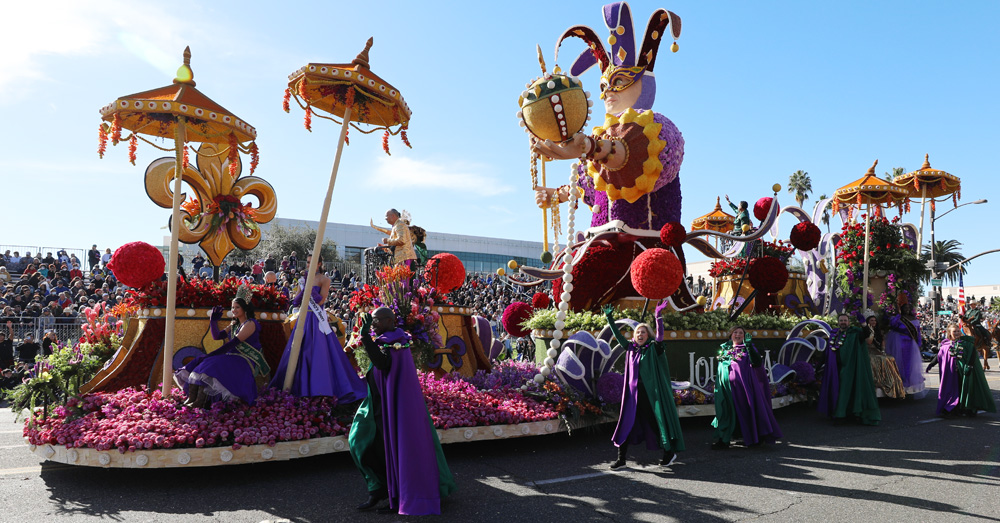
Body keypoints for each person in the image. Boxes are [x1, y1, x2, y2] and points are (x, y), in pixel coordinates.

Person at [349, 307, 456, 515]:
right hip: (377, 403)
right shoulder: (389, 339)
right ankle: (379, 489)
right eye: (372, 320)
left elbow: (382, 364)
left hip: (391, 405)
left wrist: (366, 337)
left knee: (387, 448)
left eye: (377, 320)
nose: (374, 324)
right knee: (359, 440)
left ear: (390, 321)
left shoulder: (396, 340)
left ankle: (394, 495)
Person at [270, 255, 366, 403]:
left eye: (312, 262)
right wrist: (303, 287)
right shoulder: (303, 279)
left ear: (319, 263)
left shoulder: (324, 280)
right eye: (308, 262)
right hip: (303, 317)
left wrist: (309, 286)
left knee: (316, 350)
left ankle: (319, 388)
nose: (309, 264)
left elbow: (320, 301)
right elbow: (296, 302)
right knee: (300, 350)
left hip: (316, 319)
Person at [602, 303, 684, 467]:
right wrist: (609, 318)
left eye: (643, 332)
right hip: (633, 394)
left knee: (655, 423)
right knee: (626, 423)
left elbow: (660, 336)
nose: (640, 334)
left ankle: (668, 452)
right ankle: (621, 459)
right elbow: (618, 336)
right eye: (638, 332)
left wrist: (658, 317)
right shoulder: (631, 348)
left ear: (648, 335)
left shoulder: (654, 348)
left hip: (650, 395)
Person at [176, 294, 270, 407]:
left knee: (212, 363)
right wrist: (213, 321)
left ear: (245, 308)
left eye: (237, 307)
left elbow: (233, 343)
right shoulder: (235, 324)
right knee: (206, 363)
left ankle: (199, 401)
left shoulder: (250, 323)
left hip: (245, 359)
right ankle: (192, 399)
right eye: (232, 307)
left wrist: (211, 354)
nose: (234, 310)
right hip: (232, 356)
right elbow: (217, 336)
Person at [712, 326, 782, 449]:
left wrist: (749, 346)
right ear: (730, 335)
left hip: (743, 389)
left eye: (741, 333)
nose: (738, 335)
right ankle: (724, 440)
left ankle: (754, 438)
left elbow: (756, 363)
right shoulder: (725, 349)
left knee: (746, 411)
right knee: (725, 412)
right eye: (735, 332)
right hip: (726, 389)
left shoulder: (748, 349)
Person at [819, 314, 880, 425]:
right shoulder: (834, 334)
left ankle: (843, 415)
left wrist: (864, 324)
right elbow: (827, 351)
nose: (843, 322)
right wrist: (818, 366)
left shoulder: (854, 333)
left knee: (847, 391)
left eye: (845, 320)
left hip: (850, 368)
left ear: (849, 322)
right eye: (841, 320)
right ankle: (842, 414)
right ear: (838, 322)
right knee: (837, 391)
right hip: (835, 368)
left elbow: (866, 335)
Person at [935, 322, 997, 417]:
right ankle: (953, 408)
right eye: (954, 331)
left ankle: (987, 342)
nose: (957, 333)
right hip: (953, 372)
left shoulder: (967, 343)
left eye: (958, 331)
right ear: (949, 333)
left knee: (983, 331)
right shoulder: (946, 344)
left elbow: (973, 354)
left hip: (974, 323)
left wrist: (969, 366)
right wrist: (932, 363)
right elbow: (940, 355)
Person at [884, 302, 926, 396]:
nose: (907, 309)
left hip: (910, 343)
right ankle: (899, 382)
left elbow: (918, 333)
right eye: (905, 307)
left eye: (908, 307)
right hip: (898, 342)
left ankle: (908, 382)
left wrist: (919, 343)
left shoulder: (914, 319)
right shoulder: (898, 318)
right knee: (898, 362)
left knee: (909, 363)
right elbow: (893, 325)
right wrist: (898, 314)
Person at [863, 313, 905, 399]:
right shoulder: (865, 331)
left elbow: (882, 343)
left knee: (890, 358)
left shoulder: (878, 331)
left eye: (875, 320)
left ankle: (892, 383)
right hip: (868, 351)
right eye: (871, 320)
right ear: (868, 322)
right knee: (879, 359)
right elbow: (869, 342)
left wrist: (883, 350)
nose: (873, 322)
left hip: (877, 351)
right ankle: (879, 382)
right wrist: (871, 333)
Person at [959, 301, 992, 370]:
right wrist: (962, 318)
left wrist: (970, 322)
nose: (972, 305)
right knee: (961, 331)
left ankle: (987, 342)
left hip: (976, 324)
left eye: (973, 304)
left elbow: (977, 319)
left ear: (975, 305)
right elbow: (966, 317)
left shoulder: (977, 311)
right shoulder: (968, 311)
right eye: (971, 304)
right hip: (968, 324)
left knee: (985, 332)